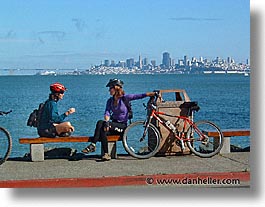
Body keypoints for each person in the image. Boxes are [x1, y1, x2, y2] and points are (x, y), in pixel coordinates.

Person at [82, 78, 156, 161]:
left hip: (122, 127)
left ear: (116, 88)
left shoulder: (125, 98)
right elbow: (107, 112)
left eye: (110, 88)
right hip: (113, 125)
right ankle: (103, 152)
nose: (109, 90)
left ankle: (93, 145)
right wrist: (106, 122)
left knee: (103, 126)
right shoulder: (110, 101)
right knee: (101, 125)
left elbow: (139, 96)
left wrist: (152, 94)